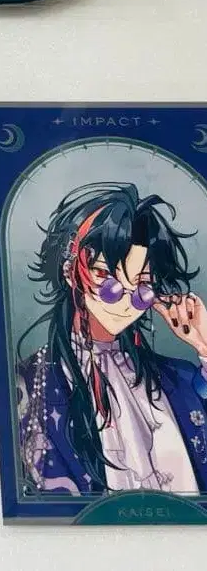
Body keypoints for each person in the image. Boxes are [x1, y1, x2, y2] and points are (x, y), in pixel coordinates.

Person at [19, 182, 207, 495]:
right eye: (108, 279)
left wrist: (204, 346)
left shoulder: (179, 378)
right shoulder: (32, 384)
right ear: (70, 272)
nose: (125, 301)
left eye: (143, 285)